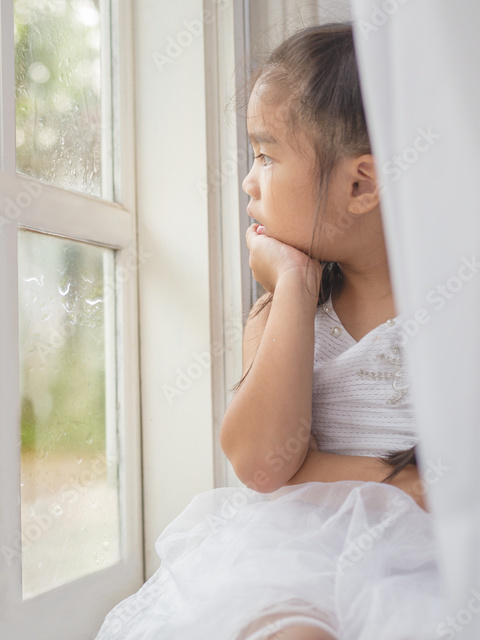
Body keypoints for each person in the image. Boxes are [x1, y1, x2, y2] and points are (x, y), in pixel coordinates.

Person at [96, 22, 444, 640]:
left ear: (360, 183)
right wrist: (292, 286)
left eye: (265, 155)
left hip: (435, 556)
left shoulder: (452, 313)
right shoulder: (288, 317)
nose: (249, 182)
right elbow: (262, 465)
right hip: (295, 555)